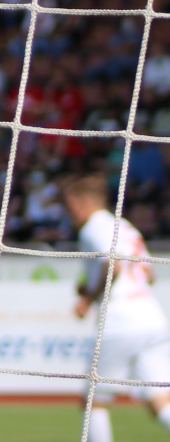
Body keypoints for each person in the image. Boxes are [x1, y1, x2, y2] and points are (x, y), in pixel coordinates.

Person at [61, 173, 170, 442]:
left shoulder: (94, 226)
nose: (69, 213)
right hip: (151, 318)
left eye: (70, 205)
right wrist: (89, 286)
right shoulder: (124, 226)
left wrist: (88, 298)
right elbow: (149, 274)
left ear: (83, 202)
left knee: (93, 400)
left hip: (121, 321)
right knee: (160, 401)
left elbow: (114, 265)